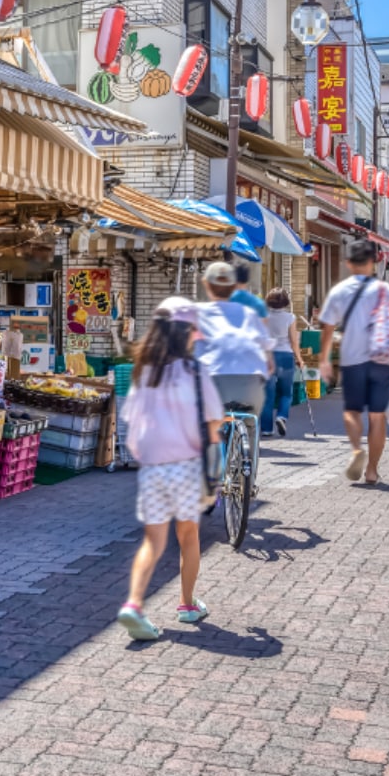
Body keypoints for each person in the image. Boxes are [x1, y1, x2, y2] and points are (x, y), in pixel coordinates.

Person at [117, 297, 224, 641]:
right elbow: (214, 423)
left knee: (152, 541)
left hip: (151, 468)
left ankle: (133, 604)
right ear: (187, 333)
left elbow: (132, 424)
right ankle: (187, 604)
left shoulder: (145, 372)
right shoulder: (195, 373)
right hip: (186, 467)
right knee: (188, 537)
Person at [315, 239, 389, 485]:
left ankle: (357, 450)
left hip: (353, 359)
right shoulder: (385, 290)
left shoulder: (339, 291)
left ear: (348, 263)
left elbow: (327, 327)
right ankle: (372, 470)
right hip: (384, 360)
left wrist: (324, 359)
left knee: (352, 411)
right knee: (378, 416)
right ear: (373, 263)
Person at [193, 261, 275, 422]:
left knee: (209, 426)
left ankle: (213, 444)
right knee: (250, 422)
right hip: (250, 376)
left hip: (213, 376)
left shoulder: (199, 312)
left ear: (206, 284)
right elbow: (263, 338)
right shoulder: (255, 306)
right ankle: (249, 441)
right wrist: (268, 360)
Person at [260, 288, 306, 437]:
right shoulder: (290, 318)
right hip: (286, 356)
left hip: (268, 356)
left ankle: (266, 429)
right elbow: (294, 341)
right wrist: (299, 359)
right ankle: (281, 416)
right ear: (285, 302)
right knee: (286, 393)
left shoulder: (264, 316)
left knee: (268, 395)